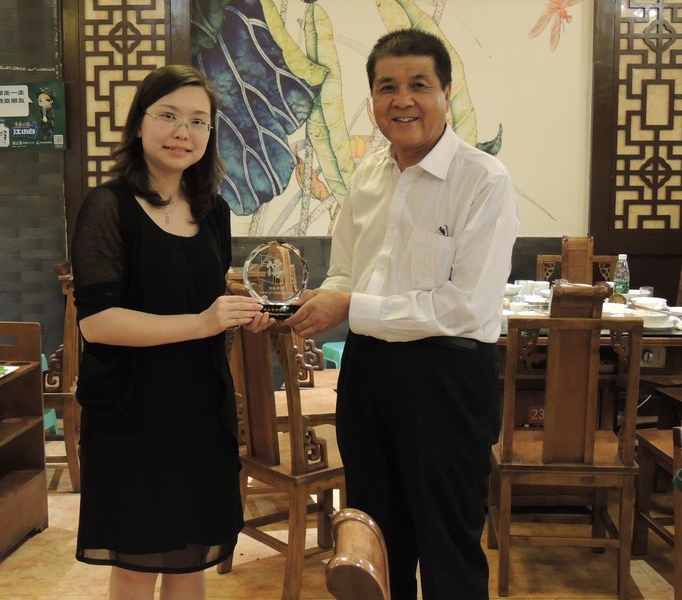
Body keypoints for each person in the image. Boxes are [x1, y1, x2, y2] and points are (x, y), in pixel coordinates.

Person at [286, 29, 520, 599]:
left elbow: (465, 307)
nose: (402, 99)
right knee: (374, 542)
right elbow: (347, 272)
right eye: (387, 87)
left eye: (419, 84)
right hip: (368, 376)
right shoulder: (367, 178)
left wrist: (351, 306)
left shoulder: (483, 180)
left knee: (449, 544)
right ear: (372, 101)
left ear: (446, 93)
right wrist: (319, 303)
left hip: (447, 379)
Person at [71, 65, 272, 600]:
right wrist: (204, 322)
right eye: (168, 116)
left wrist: (239, 315)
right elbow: (98, 322)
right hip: (133, 412)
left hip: (201, 408)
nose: (183, 132)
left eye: (198, 121)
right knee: (139, 562)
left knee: (191, 558)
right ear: (139, 124)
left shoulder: (213, 211)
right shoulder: (108, 207)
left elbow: (205, 305)